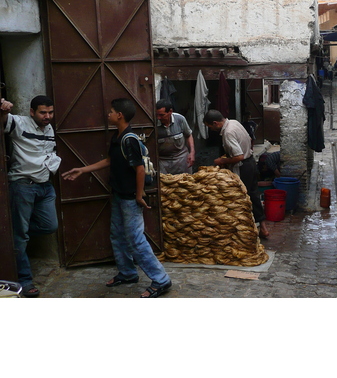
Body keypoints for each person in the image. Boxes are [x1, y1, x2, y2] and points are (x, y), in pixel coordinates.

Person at [62, 98, 172, 298]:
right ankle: (128, 273)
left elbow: (139, 169)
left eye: (111, 111)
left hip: (130, 198)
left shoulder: (129, 139)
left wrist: (139, 196)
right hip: (119, 195)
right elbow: (109, 160)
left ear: (120, 115)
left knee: (136, 240)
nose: (108, 114)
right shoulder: (118, 136)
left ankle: (161, 280)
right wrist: (82, 170)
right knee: (118, 235)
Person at [1, 95, 60, 297]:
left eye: (50, 112)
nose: (48, 116)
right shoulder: (19, 122)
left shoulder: (49, 128)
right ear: (32, 112)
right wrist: (3, 110)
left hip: (45, 187)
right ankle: (25, 281)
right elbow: (3, 121)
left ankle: (14, 237)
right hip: (23, 186)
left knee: (49, 226)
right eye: (43, 112)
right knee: (20, 236)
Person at [203, 109, 269, 239]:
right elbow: (250, 139)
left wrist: (222, 160)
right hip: (250, 163)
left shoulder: (228, 133)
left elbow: (238, 156)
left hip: (243, 167)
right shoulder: (234, 122)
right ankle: (263, 228)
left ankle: (245, 231)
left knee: (241, 198)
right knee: (254, 195)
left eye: (210, 127)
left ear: (215, 123)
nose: (211, 129)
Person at [156, 99, 195, 174]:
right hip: (163, 161)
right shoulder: (154, 123)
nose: (158, 118)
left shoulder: (180, 119)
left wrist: (192, 152)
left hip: (182, 158)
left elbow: (188, 135)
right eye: (157, 115)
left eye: (161, 115)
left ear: (170, 112)